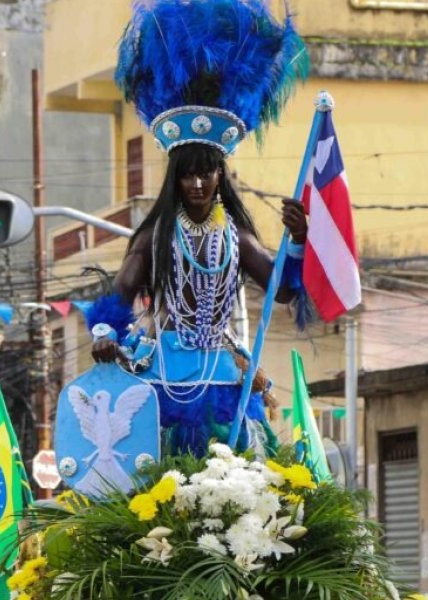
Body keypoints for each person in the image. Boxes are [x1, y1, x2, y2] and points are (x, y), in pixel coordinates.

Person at [88, 0, 310, 457]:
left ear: (219, 177)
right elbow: (120, 292)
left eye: (206, 173)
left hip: (226, 369)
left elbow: (283, 292)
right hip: (165, 368)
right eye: (187, 174)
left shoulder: (238, 238)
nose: (197, 183)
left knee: (243, 468)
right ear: (175, 179)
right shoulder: (156, 237)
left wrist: (301, 242)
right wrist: (107, 336)